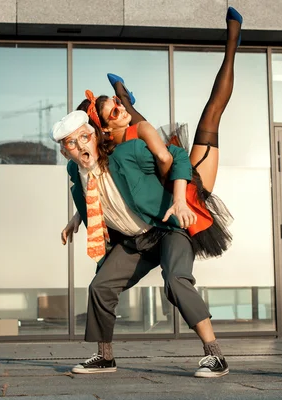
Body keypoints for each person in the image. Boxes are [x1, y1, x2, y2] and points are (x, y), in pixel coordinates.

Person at [52, 108, 228, 378]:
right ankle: (105, 357)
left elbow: (178, 156)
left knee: (176, 280)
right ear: (66, 153)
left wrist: (179, 199)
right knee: (100, 286)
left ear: (96, 136)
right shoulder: (76, 173)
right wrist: (76, 218)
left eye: (85, 137)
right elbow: (94, 193)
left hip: (166, 228)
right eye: (72, 144)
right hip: (135, 242)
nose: (81, 146)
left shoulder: (127, 154)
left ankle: (214, 354)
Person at [63, 6, 243, 259]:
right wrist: (78, 217)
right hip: (173, 196)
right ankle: (126, 97)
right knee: (151, 130)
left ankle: (232, 42)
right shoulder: (106, 155)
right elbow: (97, 186)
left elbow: (166, 159)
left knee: (207, 118)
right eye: (114, 109)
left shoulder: (130, 137)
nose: (117, 111)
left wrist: (165, 169)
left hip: (183, 185)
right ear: (101, 129)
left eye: (117, 103)